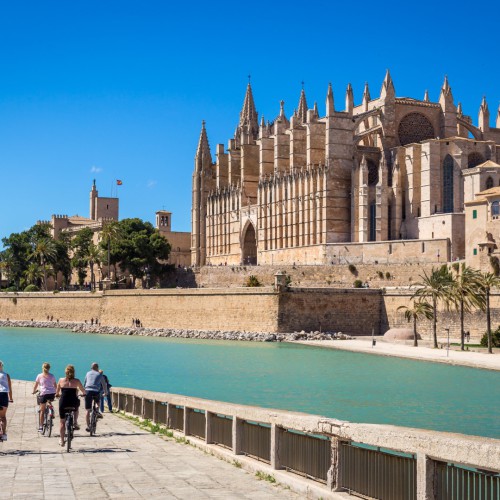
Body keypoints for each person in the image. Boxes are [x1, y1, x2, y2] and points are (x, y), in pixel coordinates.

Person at [55, 365, 85, 447]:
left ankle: (61, 440)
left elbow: (57, 393)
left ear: (65, 372)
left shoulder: (61, 380)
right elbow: (83, 390)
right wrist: (84, 394)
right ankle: (75, 422)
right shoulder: (77, 381)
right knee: (76, 408)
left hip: (63, 403)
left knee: (62, 422)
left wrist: (57, 395)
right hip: (73, 402)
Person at [32, 362, 57, 432]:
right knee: (49, 401)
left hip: (43, 393)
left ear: (42, 368)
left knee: (42, 411)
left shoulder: (39, 376)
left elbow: (36, 385)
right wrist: (57, 393)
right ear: (49, 368)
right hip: (52, 393)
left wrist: (33, 391)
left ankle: (40, 427)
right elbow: (55, 385)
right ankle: (51, 411)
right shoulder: (52, 376)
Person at [83, 362, 107, 431]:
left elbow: (84, 383)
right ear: (97, 368)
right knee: (97, 402)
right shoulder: (100, 374)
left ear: (91, 368)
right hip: (96, 391)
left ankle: (88, 426)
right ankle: (96, 410)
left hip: (88, 391)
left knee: (88, 410)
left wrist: (84, 392)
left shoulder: (88, 373)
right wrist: (105, 393)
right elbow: (104, 384)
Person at [0, 361, 14, 441]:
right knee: (3, 416)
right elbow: (9, 388)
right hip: (4, 396)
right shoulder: (6, 375)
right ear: (2, 366)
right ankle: (4, 434)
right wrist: (11, 398)